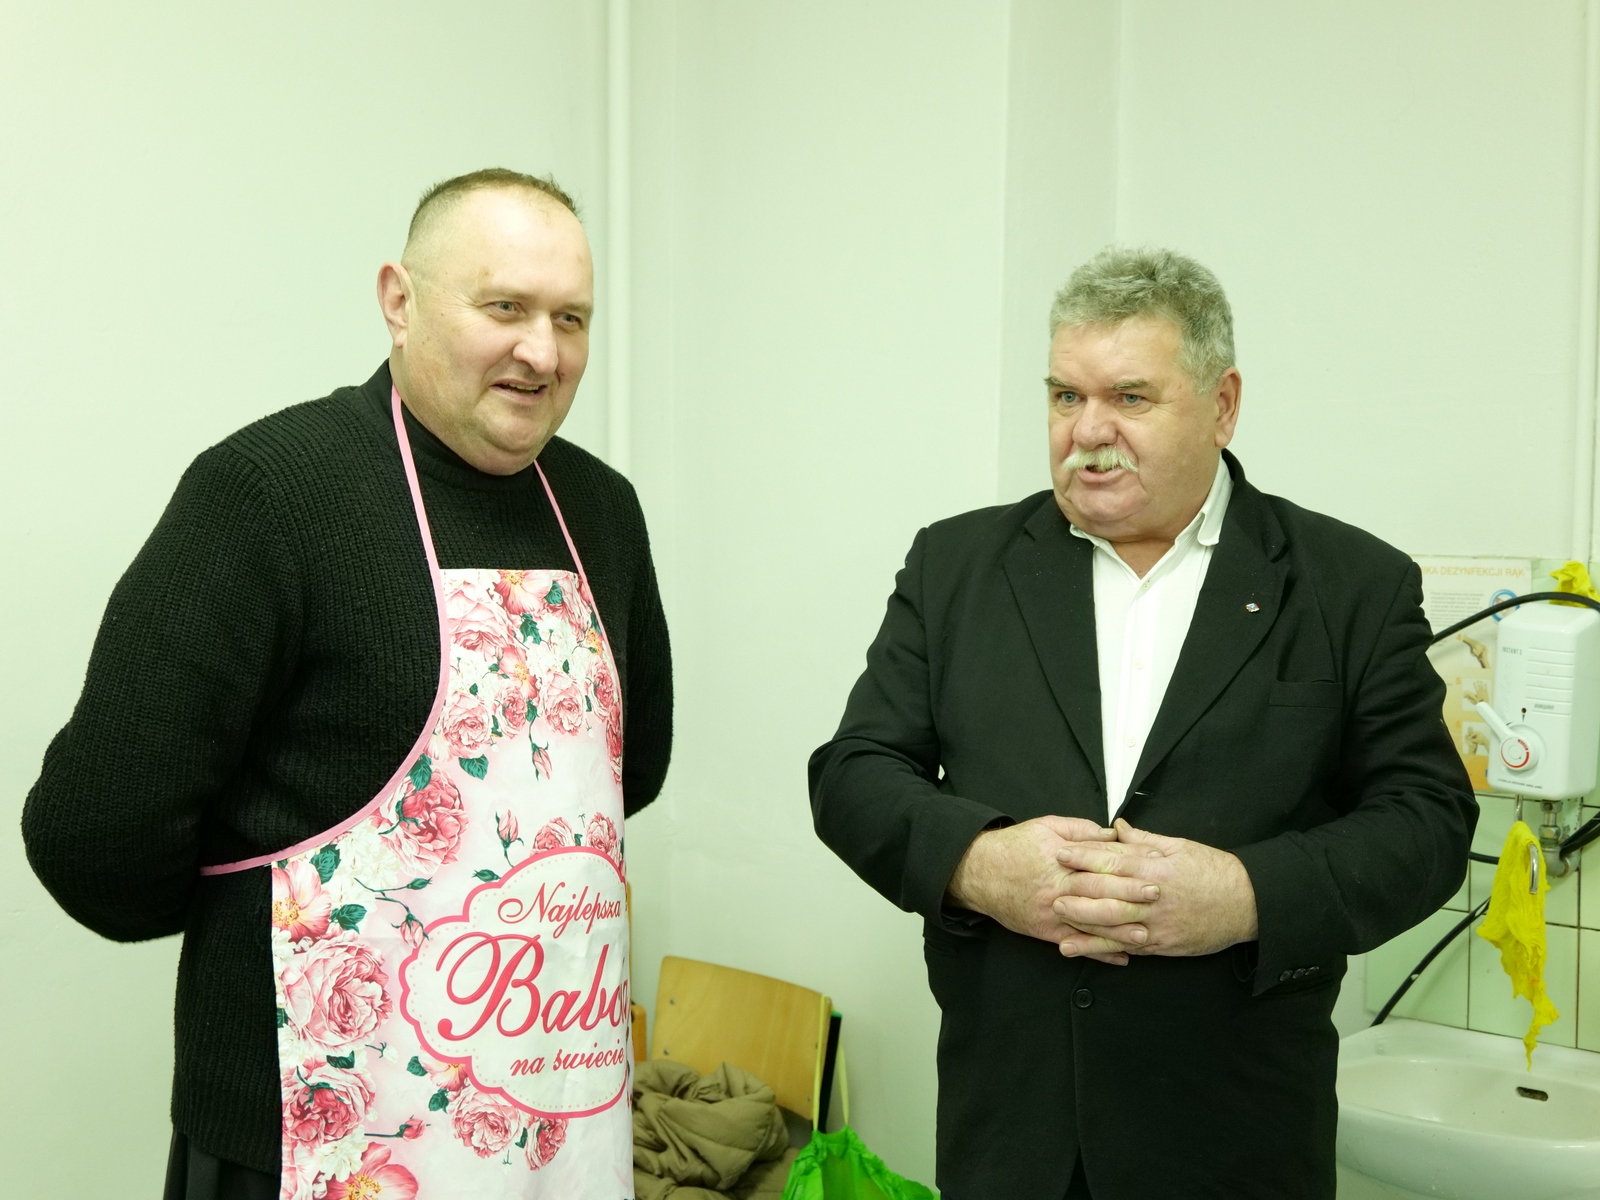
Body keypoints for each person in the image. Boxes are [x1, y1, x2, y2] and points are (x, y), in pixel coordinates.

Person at [23, 168, 672, 1200]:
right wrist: (274, 919)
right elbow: (96, 831)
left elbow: (626, 775)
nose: (542, 353)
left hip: (552, 1128)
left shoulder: (603, 510)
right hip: (308, 1138)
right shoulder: (268, 493)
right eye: (505, 307)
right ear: (398, 301)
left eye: (571, 319)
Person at [808, 247, 1475, 1199]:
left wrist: (1244, 895)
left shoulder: (1350, 586)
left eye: (1129, 397)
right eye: (1064, 397)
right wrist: (980, 865)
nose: (1088, 431)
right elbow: (854, 775)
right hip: (1016, 1136)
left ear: (1223, 404)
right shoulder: (955, 567)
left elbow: (1428, 823)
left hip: (1235, 1138)